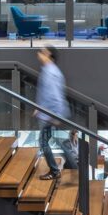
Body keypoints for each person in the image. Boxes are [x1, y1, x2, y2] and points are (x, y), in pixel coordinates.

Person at [35, 45, 68, 180]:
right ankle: (59, 168)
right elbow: (47, 94)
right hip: (48, 113)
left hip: (50, 115)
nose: (39, 54)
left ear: (49, 55)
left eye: (42, 52)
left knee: (43, 142)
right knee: (46, 141)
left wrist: (56, 115)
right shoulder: (51, 70)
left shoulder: (50, 72)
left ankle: (54, 171)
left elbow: (54, 96)